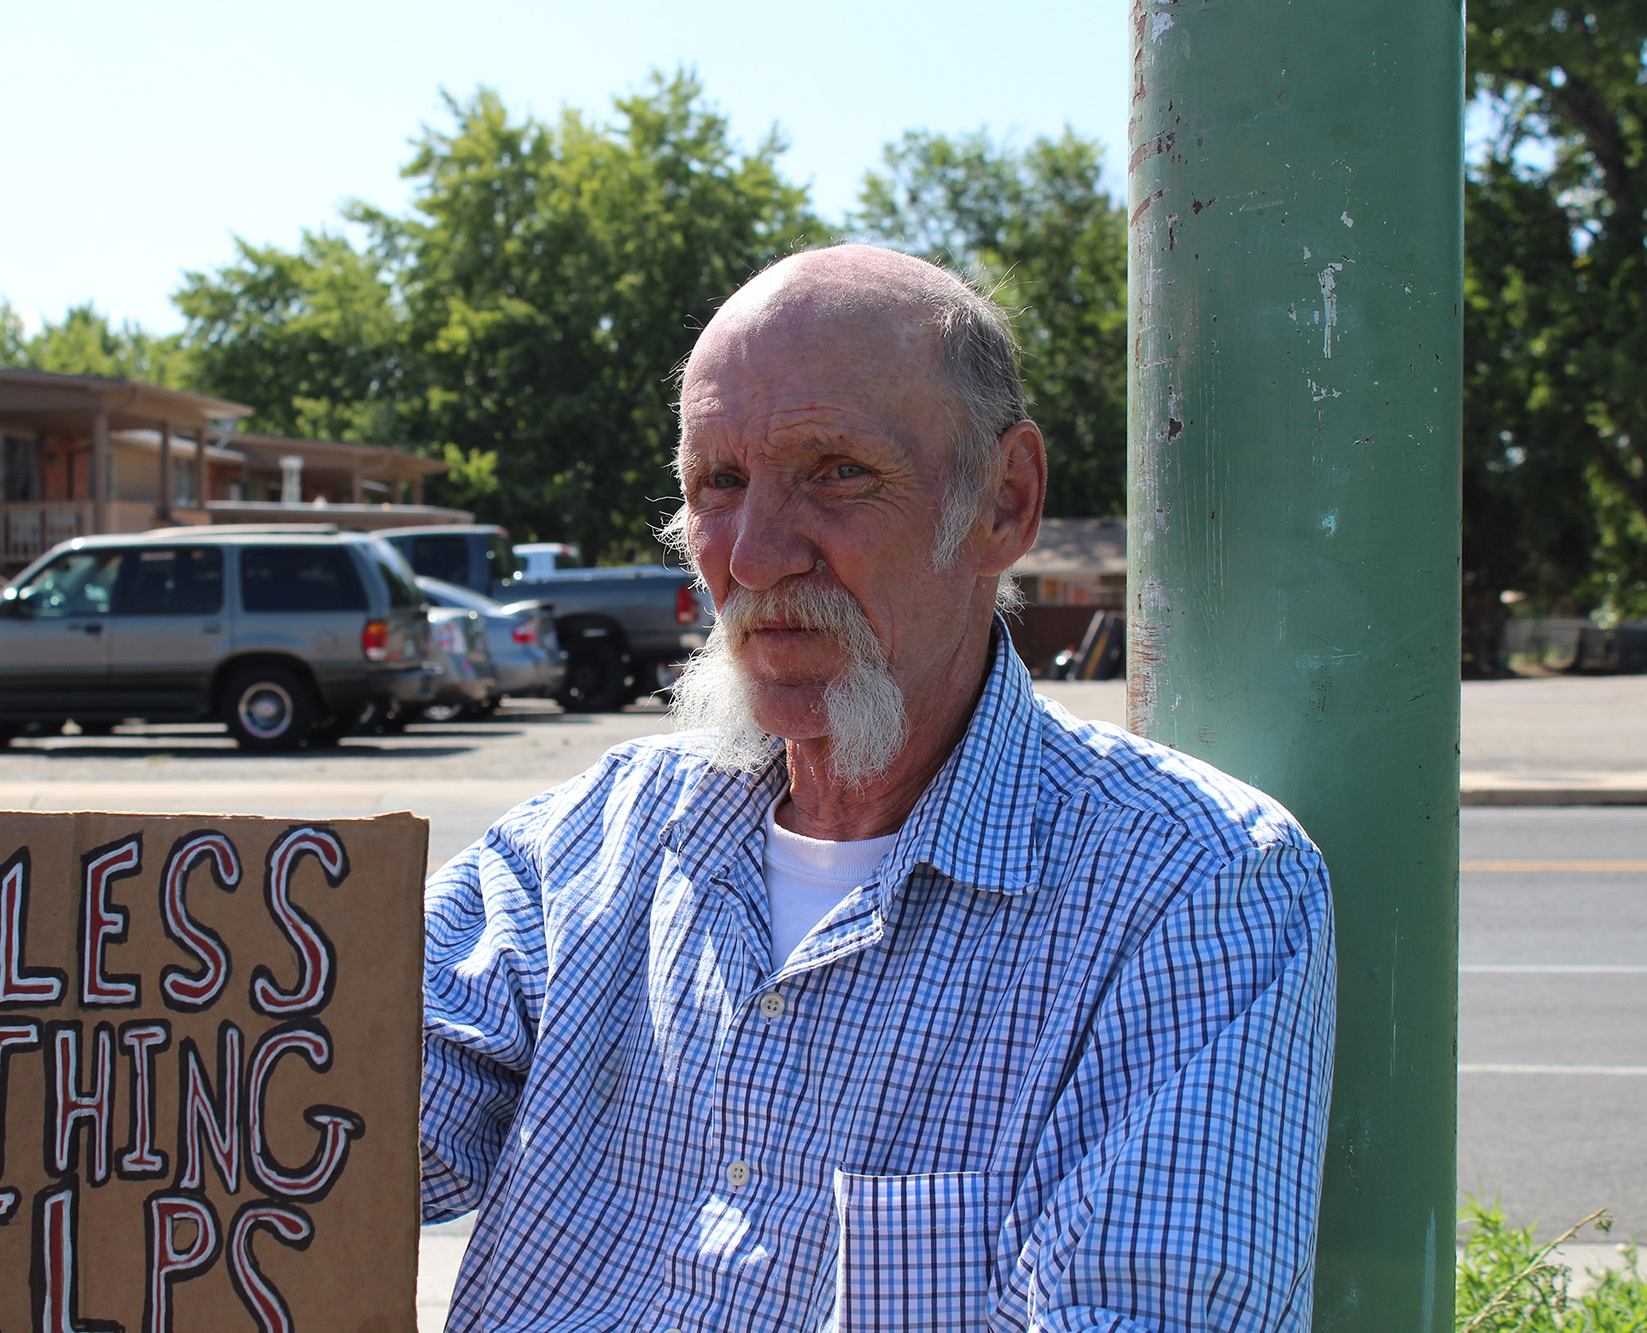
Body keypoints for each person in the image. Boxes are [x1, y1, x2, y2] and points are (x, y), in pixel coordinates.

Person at [421, 244, 1335, 1331]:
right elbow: (320, 1123)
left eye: (835, 472)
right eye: (719, 483)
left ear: (1003, 502)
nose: (753, 557)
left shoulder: (1191, 886)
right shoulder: (592, 840)